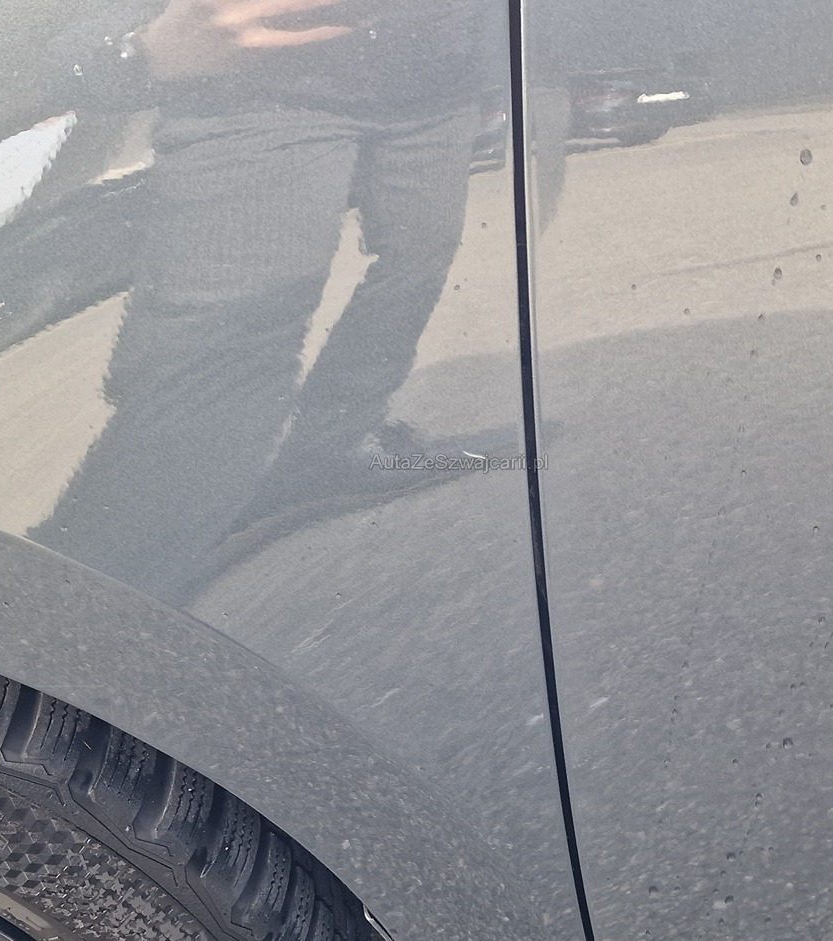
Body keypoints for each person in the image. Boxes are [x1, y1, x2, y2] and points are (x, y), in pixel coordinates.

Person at [29, 0, 505, 602]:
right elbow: (38, 35)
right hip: (258, 97)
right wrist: (129, 50)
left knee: (416, 264)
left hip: (433, 83)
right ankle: (63, 614)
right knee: (226, 358)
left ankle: (327, 451)